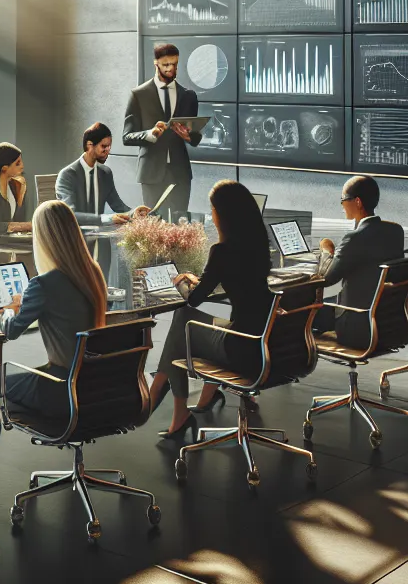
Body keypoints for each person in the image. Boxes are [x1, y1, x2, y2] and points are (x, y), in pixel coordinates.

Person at [145, 180, 274, 441]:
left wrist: (181, 281)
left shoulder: (222, 251)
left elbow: (193, 301)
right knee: (185, 324)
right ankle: (173, 391)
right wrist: (201, 280)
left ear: (222, 214)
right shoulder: (260, 246)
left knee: (184, 319)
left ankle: (167, 397)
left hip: (240, 348)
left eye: (212, 208)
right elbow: (239, 282)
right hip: (263, 341)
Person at [0, 200, 109, 419]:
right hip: (93, 383)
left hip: (60, 388)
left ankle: (44, 424)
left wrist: (9, 309)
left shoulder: (43, 284)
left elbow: (11, 331)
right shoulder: (93, 272)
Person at [312, 175, 404, 352]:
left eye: (343, 200)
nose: (342, 205)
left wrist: (326, 250)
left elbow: (326, 278)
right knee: (327, 304)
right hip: (386, 322)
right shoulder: (395, 231)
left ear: (358, 202)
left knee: (300, 312)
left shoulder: (354, 238)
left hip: (355, 327)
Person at [122, 42, 199, 219]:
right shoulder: (138, 95)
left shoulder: (189, 96)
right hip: (151, 173)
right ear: (155, 63)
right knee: (154, 225)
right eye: (166, 64)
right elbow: (127, 136)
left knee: (180, 224)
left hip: (180, 173)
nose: (171, 69)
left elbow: (195, 138)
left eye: (175, 64)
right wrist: (150, 134)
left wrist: (189, 137)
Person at [56, 122, 150, 227]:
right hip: (76, 235)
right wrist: (108, 218)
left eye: (109, 147)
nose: (107, 151)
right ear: (89, 145)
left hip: (101, 235)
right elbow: (70, 215)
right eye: (104, 146)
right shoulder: (67, 175)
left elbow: (118, 206)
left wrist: (134, 213)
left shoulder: (105, 173)